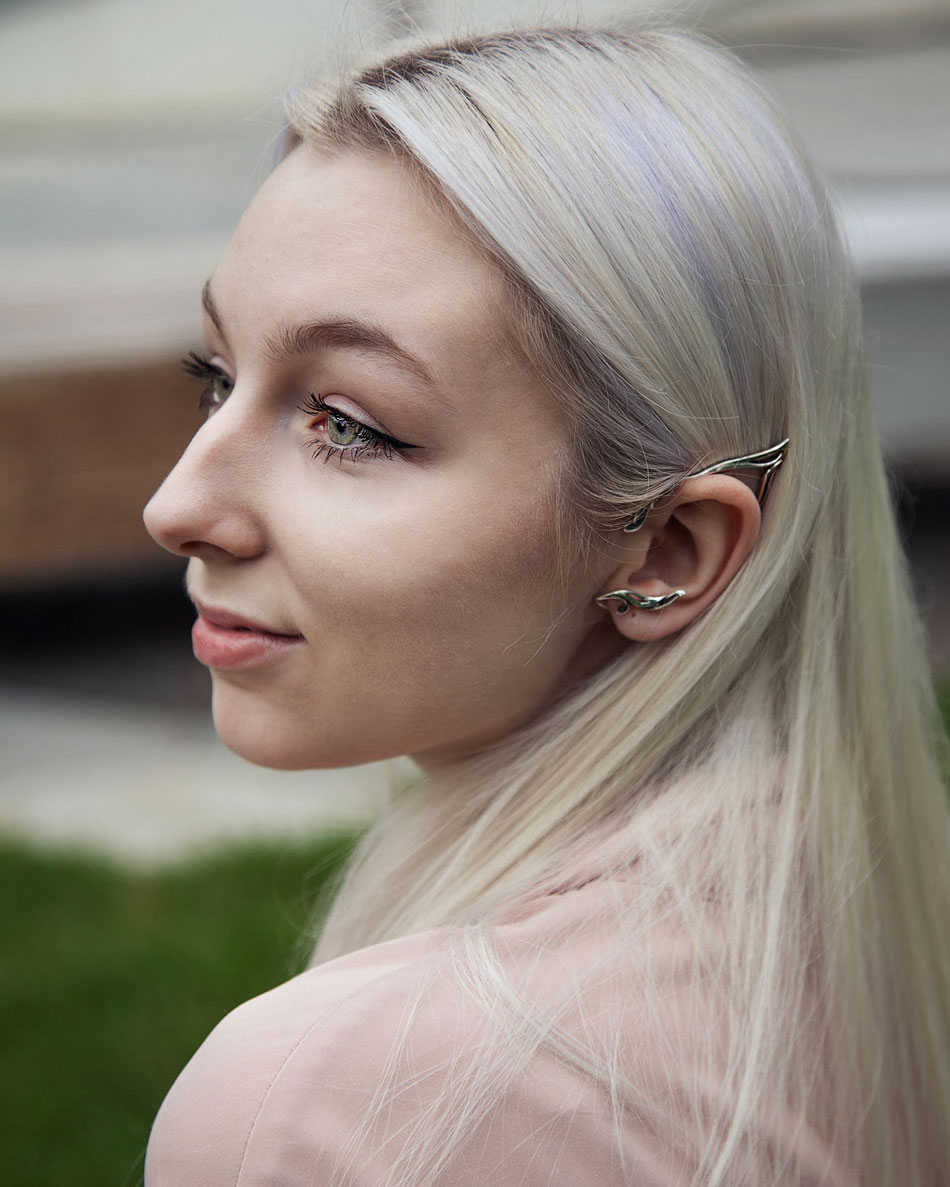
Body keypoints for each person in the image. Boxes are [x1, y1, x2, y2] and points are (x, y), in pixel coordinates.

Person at [141, 24, 949, 1187]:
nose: (180, 504)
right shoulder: (860, 905)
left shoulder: (325, 1108)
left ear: (667, 549)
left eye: (350, 422)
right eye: (216, 376)